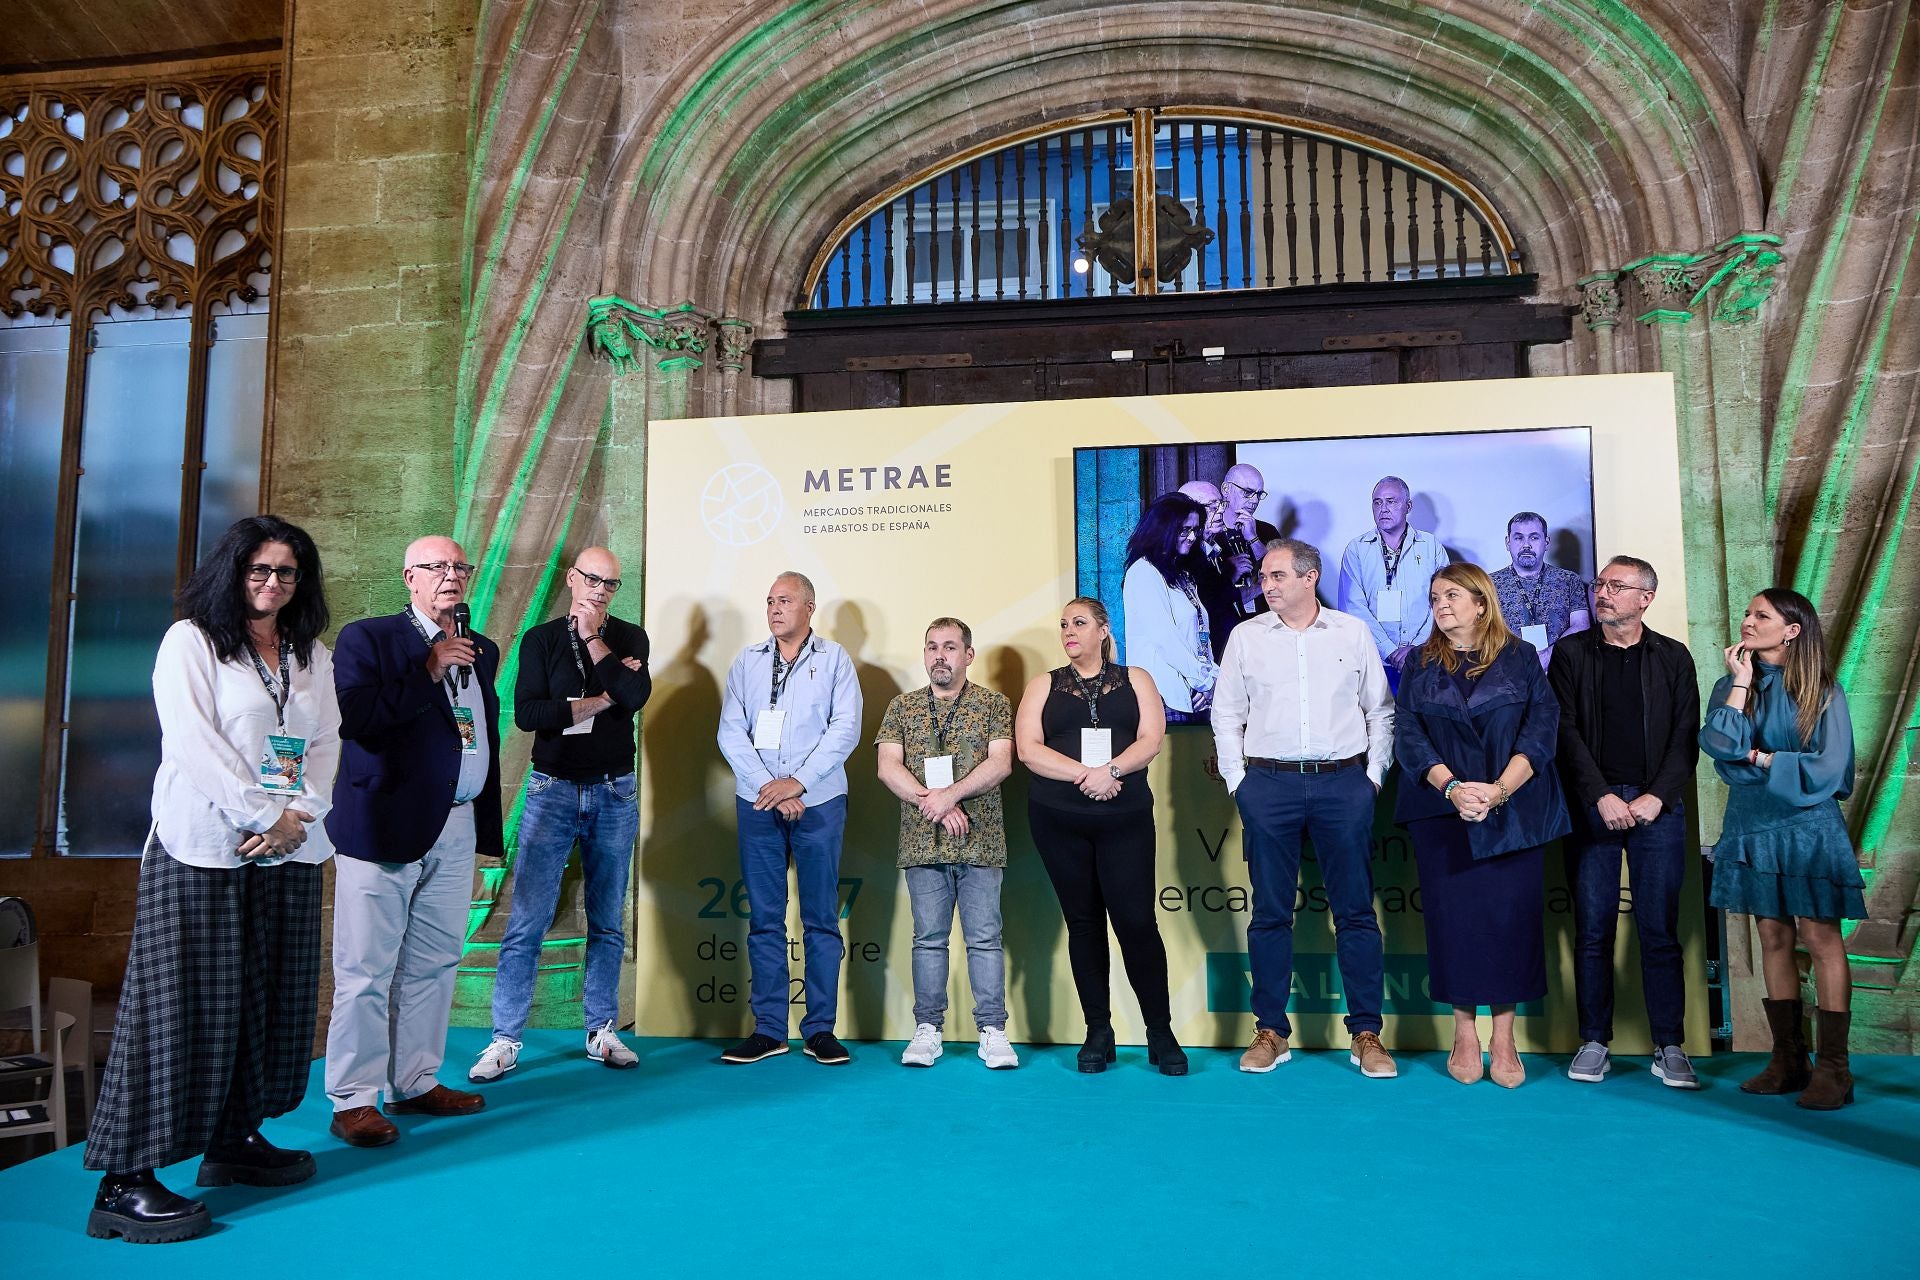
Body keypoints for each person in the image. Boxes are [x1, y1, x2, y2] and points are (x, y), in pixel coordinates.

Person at [83, 516, 339, 1244]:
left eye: (286, 572)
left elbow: (326, 741)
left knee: (270, 1001)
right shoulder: (190, 642)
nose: (273, 583)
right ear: (232, 572)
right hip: (203, 848)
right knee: (178, 1009)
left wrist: (298, 816)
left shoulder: (310, 653)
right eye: (260, 569)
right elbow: (193, 743)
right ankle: (125, 1180)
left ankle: (235, 1138)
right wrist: (265, 812)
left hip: (288, 850)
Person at [324, 537, 502, 1147]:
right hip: (385, 823)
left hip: (456, 823)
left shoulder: (481, 648)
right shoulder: (368, 638)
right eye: (437, 567)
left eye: (459, 567)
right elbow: (357, 720)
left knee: (435, 961)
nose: (451, 576)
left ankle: (415, 1080)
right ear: (409, 577)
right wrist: (428, 668)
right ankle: (353, 1098)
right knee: (366, 969)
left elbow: (472, 730)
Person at [1211, 541, 1398, 1077]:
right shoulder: (1246, 636)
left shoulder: (1351, 632)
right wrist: (1239, 783)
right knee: (1270, 914)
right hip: (1268, 785)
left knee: (1356, 913)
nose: (1265, 585)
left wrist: (1372, 778)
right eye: (1264, 576)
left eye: (1277, 576)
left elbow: (1380, 711)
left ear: (1309, 577)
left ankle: (1366, 1034)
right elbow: (1226, 714)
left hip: (1344, 783)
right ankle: (1271, 1030)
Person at [470, 548, 652, 1084]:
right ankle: (505, 1038)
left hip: (614, 789)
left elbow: (636, 696)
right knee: (527, 919)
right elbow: (530, 714)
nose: (600, 590)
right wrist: (603, 698)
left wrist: (595, 640)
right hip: (552, 789)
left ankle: (601, 1030)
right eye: (592, 579)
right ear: (572, 578)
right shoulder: (541, 639)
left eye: (610, 584)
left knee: (607, 918)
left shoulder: (630, 637)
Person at [1393, 562, 1568, 1088]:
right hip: (1442, 813)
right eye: (1434, 597)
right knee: (1454, 926)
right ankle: (1464, 1033)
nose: (1440, 604)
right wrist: (1453, 789)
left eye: (1451, 595)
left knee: (1511, 925)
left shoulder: (1521, 657)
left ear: (1481, 602)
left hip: (1513, 812)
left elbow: (1541, 731)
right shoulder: (1420, 661)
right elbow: (1408, 735)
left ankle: (1505, 1038)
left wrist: (1498, 791)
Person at [1700, 587, 1866, 1110]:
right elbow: (1721, 750)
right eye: (1747, 613)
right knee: (1772, 935)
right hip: (1752, 822)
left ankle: (1834, 1068)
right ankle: (1789, 1060)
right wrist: (1741, 682)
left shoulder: (1823, 689)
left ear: (1792, 630)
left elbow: (1831, 768)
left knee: (1819, 936)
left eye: (1761, 615)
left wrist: (1763, 760)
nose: (1748, 621)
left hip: (1808, 825)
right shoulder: (1731, 685)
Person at [1548, 556, 1700, 1088]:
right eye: (1601, 584)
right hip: (1595, 807)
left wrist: (1659, 796)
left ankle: (1670, 1045)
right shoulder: (1570, 653)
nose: (1603, 593)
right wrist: (1599, 796)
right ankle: (1594, 1041)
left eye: (1617, 586)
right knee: (1593, 931)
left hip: (1657, 809)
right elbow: (1564, 732)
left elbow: (1686, 735)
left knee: (1659, 931)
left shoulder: (1673, 656)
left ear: (1645, 598)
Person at [1016, 597, 1183, 1075]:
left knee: (1137, 923)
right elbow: (1028, 749)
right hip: (1058, 818)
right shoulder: (1043, 684)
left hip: (1124, 817)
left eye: (1079, 623)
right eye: (1063, 624)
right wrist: (1085, 775)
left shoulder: (1137, 679)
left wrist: (1109, 771)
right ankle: (1098, 1031)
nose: (1069, 631)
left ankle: (1160, 1032)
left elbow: (1151, 739)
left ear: (1104, 629)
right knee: (1083, 924)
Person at [715, 572, 861, 1065]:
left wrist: (797, 783)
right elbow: (730, 732)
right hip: (759, 803)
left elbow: (845, 730)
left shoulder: (835, 659)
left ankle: (819, 1030)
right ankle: (769, 1030)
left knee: (820, 918)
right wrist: (770, 788)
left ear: (810, 607)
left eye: (785, 600)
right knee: (764, 919)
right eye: (770, 601)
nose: (775, 609)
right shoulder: (748, 661)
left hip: (819, 802)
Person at [875, 618, 1018, 1069]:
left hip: (981, 841)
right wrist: (933, 802)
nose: (940, 655)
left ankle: (993, 1031)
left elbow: (1001, 762)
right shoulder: (902, 707)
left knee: (985, 939)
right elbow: (887, 766)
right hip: (923, 842)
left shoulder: (993, 704)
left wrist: (950, 795)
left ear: (968, 655)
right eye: (932, 647)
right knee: (928, 940)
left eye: (950, 647)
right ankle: (928, 1030)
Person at [1339, 475, 1449, 680]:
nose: (1383, 509)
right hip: (1374, 661)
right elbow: (1353, 607)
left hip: (1426, 658)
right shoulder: (1357, 549)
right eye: (1377, 502)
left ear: (1408, 506)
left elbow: (1444, 600)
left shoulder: (1430, 546)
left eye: (1391, 501)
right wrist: (1389, 650)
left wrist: (1417, 648)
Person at [1121, 492, 1217, 722]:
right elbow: (1165, 638)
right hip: (1162, 697)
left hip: (1191, 694)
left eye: (1196, 530)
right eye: (1184, 530)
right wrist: (1204, 682)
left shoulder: (1182, 575)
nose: (1192, 537)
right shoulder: (1143, 572)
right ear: (1163, 529)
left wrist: (1212, 681)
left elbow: (1200, 638)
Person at [1490, 511, 1590, 667]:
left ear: (1546, 542)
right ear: (1507, 543)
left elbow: (1581, 626)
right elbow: (1482, 631)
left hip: (1560, 668)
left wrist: (1548, 655)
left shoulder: (1569, 580)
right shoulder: (1489, 583)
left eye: (1534, 537)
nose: (1526, 545)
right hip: (1507, 672)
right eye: (1518, 538)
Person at [1180, 479, 1254, 655]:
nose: (1221, 510)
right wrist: (1228, 576)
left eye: (1221, 504)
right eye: (1212, 506)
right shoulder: (1184, 557)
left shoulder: (1217, 545)